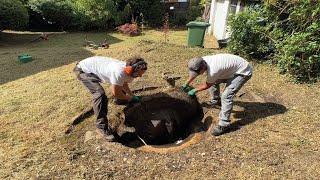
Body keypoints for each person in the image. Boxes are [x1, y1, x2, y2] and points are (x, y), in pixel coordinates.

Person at [74, 56, 147, 141]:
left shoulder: (128, 71)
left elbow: (123, 83)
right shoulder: (119, 72)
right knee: (99, 94)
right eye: (139, 73)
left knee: (120, 90)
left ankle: (120, 101)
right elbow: (115, 92)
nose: (141, 76)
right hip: (84, 70)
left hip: (93, 66)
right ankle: (101, 127)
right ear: (130, 69)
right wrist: (129, 98)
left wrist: (132, 95)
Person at [181, 53, 252, 136]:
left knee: (226, 96)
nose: (198, 74)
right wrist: (186, 83)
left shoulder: (213, 70)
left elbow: (207, 85)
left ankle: (224, 125)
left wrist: (194, 90)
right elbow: (195, 73)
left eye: (198, 72)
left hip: (243, 72)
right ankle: (216, 100)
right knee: (213, 81)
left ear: (203, 67)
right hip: (232, 69)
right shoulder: (200, 61)